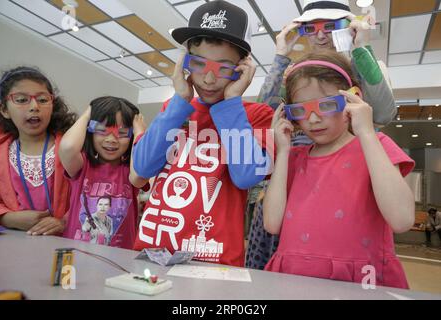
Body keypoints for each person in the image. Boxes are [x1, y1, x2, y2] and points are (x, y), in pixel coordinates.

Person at [246, 0, 397, 269]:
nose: (319, 34)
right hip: (294, 172)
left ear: (348, 26)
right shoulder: (293, 74)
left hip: (351, 174)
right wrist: (281, 55)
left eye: (330, 26)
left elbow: (383, 113)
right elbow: (265, 114)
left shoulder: (365, 65)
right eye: (310, 28)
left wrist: (361, 47)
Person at [132, 0, 274, 267]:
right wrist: (179, 101)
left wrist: (232, 103)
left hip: (214, 259)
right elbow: (142, 167)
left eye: (223, 68)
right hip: (152, 252)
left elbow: (246, 177)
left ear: (243, 68)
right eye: (199, 64)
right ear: (185, 63)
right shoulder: (174, 109)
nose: (208, 80)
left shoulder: (256, 115)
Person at [263, 51, 415, 289]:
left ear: (353, 99)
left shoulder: (376, 146)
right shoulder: (292, 158)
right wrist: (281, 151)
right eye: (300, 110)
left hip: (359, 281)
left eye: (326, 105)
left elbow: (402, 219)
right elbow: (272, 224)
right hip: (294, 278)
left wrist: (366, 132)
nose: (313, 119)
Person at [60, 97, 149, 249]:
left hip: (120, 258)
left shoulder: (130, 171)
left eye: (122, 133)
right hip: (76, 255)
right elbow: (68, 147)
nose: (111, 139)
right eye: (101, 130)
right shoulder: (82, 165)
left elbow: (139, 177)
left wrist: (140, 133)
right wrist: (89, 112)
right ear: (90, 131)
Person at [0, 67, 76, 235]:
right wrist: (7, 218)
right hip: (15, 245)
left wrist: (64, 221)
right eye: (21, 100)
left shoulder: (73, 148)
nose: (34, 106)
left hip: (66, 244)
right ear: (4, 110)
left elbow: (91, 193)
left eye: (42, 99)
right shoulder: (1, 153)